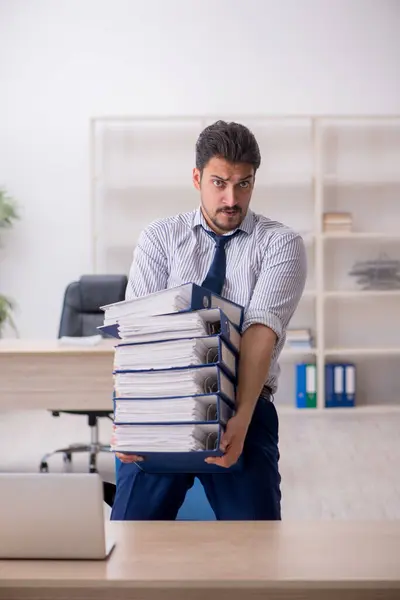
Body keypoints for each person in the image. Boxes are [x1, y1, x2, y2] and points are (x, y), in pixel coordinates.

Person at [110, 120, 307, 521]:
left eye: (244, 184)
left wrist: (241, 418)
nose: (232, 198)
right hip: (166, 404)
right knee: (130, 543)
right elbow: (139, 332)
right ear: (197, 177)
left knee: (256, 549)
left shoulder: (280, 243)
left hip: (245, 404)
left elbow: (259, 332)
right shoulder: (160, 238)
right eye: (219, 183)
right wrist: (131, 417)